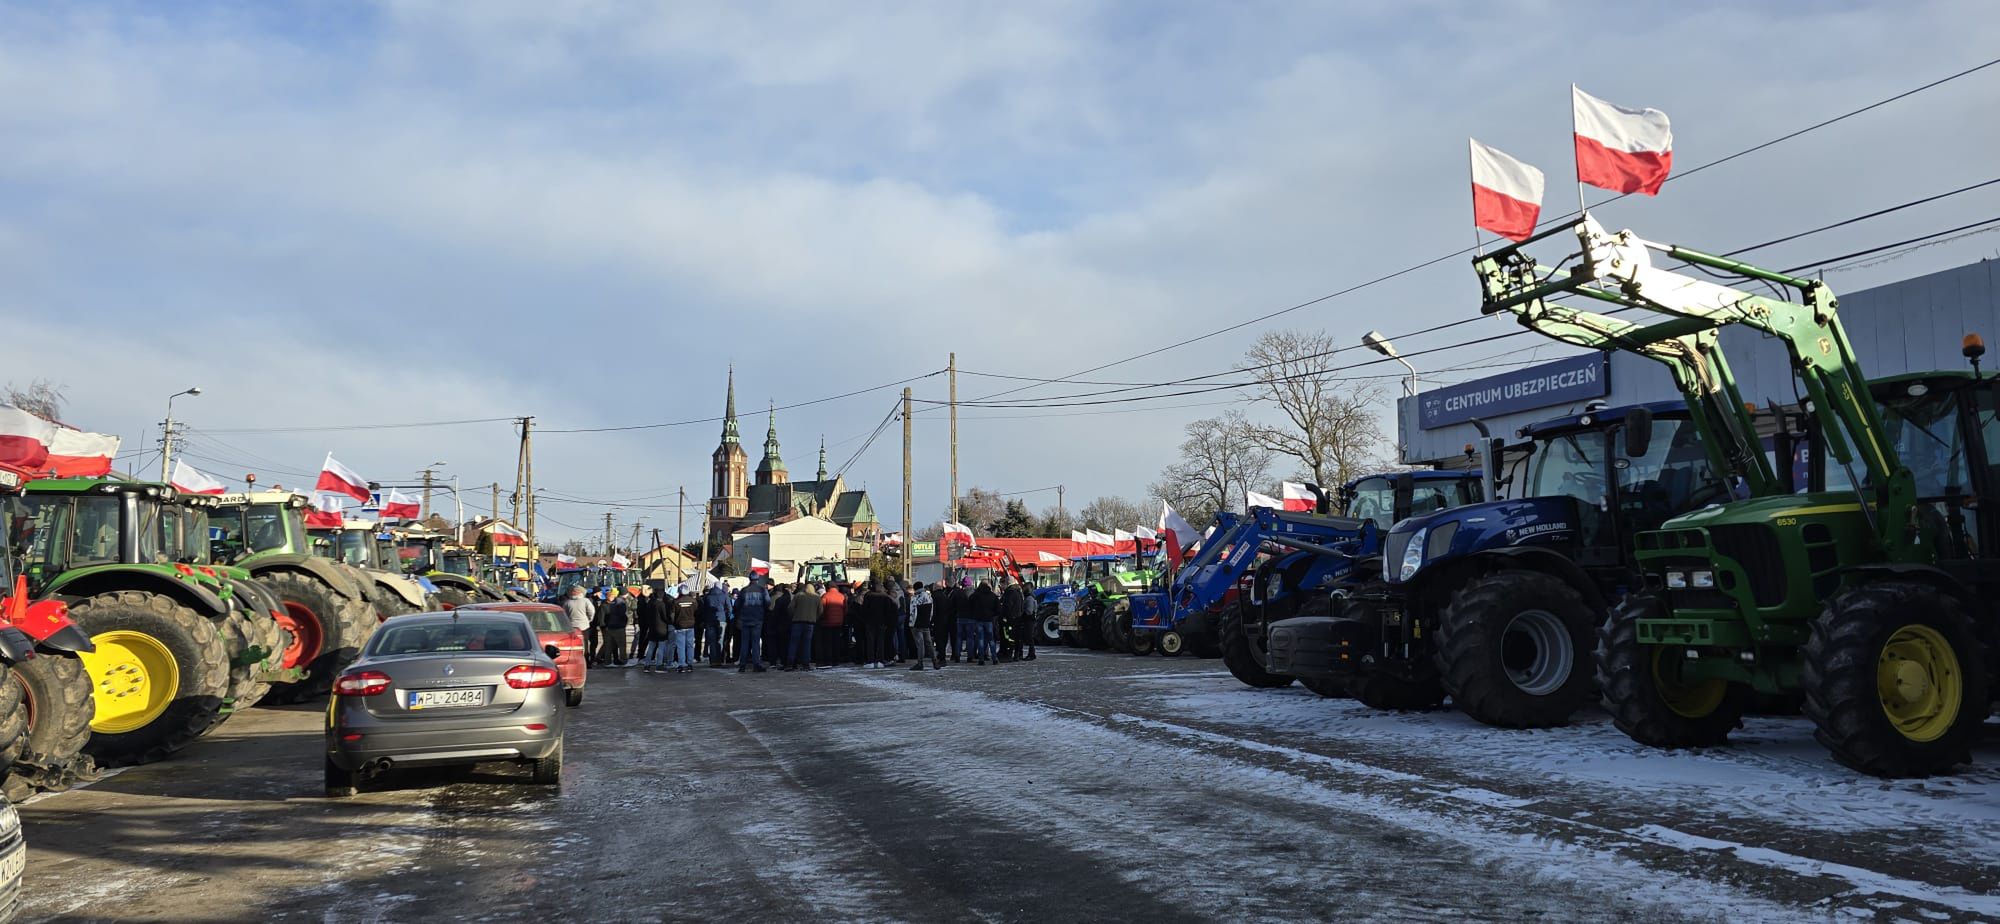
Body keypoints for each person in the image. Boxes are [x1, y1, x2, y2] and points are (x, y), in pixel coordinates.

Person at [735, 577, 772, 672]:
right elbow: (768, 603)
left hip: (745, 619)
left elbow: (737, 605)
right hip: (757, 619)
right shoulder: (762, 590)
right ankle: (756, 664)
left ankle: (742, 665)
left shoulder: (744, 590)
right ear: (757, 579)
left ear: (749, 579)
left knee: (744, 643)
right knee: (755, 643)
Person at [787, 582, 821, 671]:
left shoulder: (798, 595)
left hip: (797, 622)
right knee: (807, 644)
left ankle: (790, 663)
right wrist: (814, 617)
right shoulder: (817, 597)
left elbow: (790, 608)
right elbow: (820, 610)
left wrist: (794, 616)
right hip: (810, 623)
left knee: (793, 643)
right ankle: (806, 664)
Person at [640, 585, 674, 673]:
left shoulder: (650, 603)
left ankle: (647, 665)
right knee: (661, 647)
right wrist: (670, 621)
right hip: (661, 628)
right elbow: (665, 617)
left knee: (651, 647)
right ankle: (659, 665)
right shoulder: (661, 604)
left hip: (652, 628)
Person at [907, 581, 938, 670]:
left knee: (920, 644)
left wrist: (911, 624)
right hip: (926, 623)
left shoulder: (915, 598)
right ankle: (935, 662)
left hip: (916, 624)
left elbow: (913, 612)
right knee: (929, 644)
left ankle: (920, 663)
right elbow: (931, 611)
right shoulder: (929, 596)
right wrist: (928, 621)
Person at [703, 580, 733, 667]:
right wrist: (726, 617)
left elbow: (704, 610)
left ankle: (713, 661)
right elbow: (729, 608)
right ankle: (719, 660)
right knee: (720, 640)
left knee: (712, 641)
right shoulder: (724, 595)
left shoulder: (708, 596)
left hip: (710, 620)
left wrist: (705, 620)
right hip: (721, 620)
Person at [967, 579, 998, 665]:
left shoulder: (975, 595)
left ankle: (981, 659)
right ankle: (994, 658)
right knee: (991, 639)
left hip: (978, 619)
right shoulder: (992, 595)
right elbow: (998, 608)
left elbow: (969, 606)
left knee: (980, 639)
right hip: (989, 620)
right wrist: (992, 614)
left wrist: (974, 614)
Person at [562, 586, 595, 666]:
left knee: (573, 644)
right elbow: (591, 611)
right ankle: (586, 661)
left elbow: (564, 614)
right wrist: (589, 619)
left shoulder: (567, 602)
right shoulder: (586, 601)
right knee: (585, 643)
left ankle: (574, 660)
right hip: (584, 626)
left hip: (572, 626)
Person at [670, 582, 699, 672]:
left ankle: (682, 665)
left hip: (680, 626)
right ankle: (690, 664)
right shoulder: (693, 601)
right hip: (691, 625)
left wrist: (674, 623)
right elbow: (696, 612)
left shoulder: (676, 601)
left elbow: (672, 615)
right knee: (690, 645)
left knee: (681, 646)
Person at [818, 581, 848, 666]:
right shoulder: (842, 596)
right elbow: (845, 610)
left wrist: (821, 618)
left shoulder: (825, 596)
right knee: (836, 641)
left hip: (827, 622)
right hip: (838, 622)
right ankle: (836, 660)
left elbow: (821, 610)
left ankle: (828, 660)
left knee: (828, 642)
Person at [597, 590, 629, 666]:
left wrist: (603, 626)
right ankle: (622, 660)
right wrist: (624, 624)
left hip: (609, 627)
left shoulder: (604, 605)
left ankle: (608, 661)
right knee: (620, 645)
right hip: (616, 627)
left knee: (609, 645)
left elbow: (601, 617)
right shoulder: (620, 604)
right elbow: (624, 615)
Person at [766, 581, 792, 668]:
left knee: (774, 644)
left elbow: (772, 612)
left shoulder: (773, 598)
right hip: (785, 624)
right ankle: (783, 660)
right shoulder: (790, 598)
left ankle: (773, 661)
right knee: (783, 643)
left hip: (775, 624)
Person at [999, 577, 1025, 662]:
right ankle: (1017, 654)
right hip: (1018, 618)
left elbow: (1007, 606)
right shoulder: (1019, 591)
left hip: (1010, 619)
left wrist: (1004, 616)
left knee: (1009, 637)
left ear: (1007, 583)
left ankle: (1008, 655)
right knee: (1017, 638)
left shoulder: (1009, 592)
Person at [952, 577, 977, 663]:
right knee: (970, 638)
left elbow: (953, 605)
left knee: (959, 637)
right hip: (971, 618)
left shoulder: (958, 593)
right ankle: (970, 656)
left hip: (960, 617)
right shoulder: (974, 593)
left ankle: (957, 656)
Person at [931, 578, 956, 664]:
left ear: (935, 588)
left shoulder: (934, 596)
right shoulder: (945, 596)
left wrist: (931, 621)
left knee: (939, 639)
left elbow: (933, 610)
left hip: (938, 620)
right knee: (944, 639)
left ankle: (941, 656)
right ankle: (942, 655)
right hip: (946, 620)